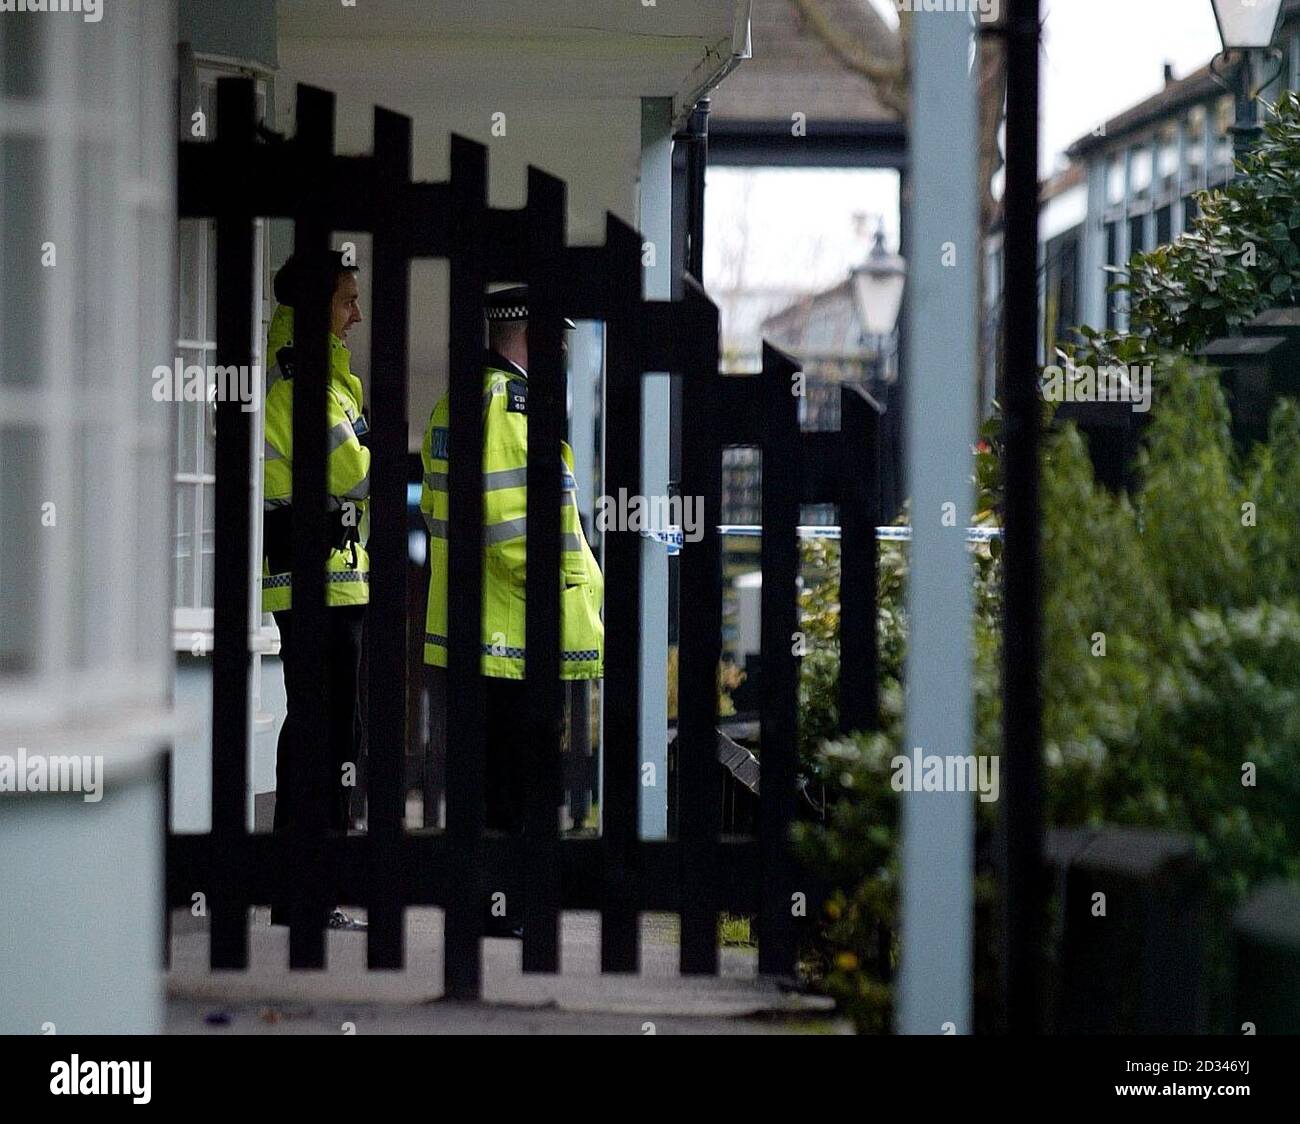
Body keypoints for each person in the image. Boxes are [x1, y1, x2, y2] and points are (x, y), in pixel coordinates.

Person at [421, 286, 604, 938]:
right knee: (520, 778)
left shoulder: (460, 401)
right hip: (515, 627)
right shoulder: (510, 404)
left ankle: (492, 906)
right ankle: (507, 910)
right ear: (532, 337)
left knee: (493, 774)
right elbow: (510, 527)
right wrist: (564, 586)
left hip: (487, 625)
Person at [262, 250, 370, 932]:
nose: (356, 313)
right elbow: (361, 474)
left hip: (324, 583)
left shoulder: (322, 384)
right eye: (346, 301)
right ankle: (309, 885)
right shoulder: (306, 388)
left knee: (322, 728)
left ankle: (303, 885)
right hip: (318, 587)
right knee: (323, 732)